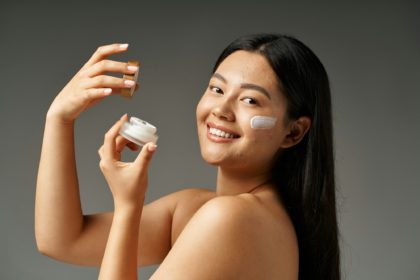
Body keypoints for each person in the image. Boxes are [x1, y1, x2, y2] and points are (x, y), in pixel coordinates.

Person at [35, 33, 340, 280]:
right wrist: (59, 119)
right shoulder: (198, 208)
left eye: (250, 100)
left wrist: (128, 207)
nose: (221, 110)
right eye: (217, 89)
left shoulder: (232, 218)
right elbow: (62, 240)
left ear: (294, 133)